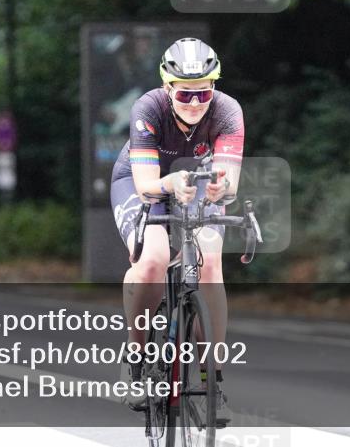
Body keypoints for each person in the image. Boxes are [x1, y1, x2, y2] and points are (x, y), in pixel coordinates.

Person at [110, 37, 244, 426]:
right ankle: (136, 360)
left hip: (198, 181)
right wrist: (169, 185)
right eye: (185, 94)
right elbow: (147, 184)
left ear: (214, 88)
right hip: (146, 182)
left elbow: (229, 178)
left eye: (203, 94)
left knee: (211, 264)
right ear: (168, 87)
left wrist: (223, 187)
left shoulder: (228, 111)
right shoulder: (147, 107)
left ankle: (212, 382)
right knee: (151, 261)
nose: (195, 104)